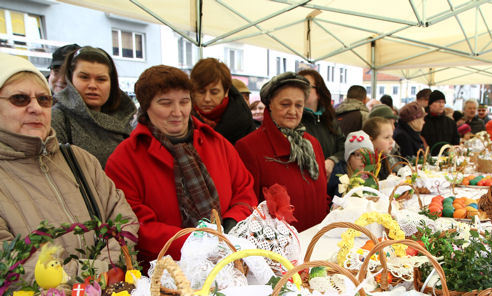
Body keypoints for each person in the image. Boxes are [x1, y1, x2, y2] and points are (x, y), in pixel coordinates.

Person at [0, 53, 137, 279]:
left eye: (44, 99)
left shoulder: (79, 159)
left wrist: (108, 267)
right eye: (20, 99)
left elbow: (124, 220)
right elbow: (12, 266)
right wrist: (94, 275)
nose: (35, 108)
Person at [105, 65, 257, 263]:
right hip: (166, 270)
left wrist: (230, 223)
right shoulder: (125, 158)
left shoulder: (217, 143)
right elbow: (135, 224)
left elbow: (245, 191)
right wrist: (197, 243)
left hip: (228, 257)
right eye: (165, 103)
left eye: (184, 102)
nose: (177, 112)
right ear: (146, 106)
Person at [235, 72, 327, 232]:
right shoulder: (249, 147)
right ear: (270, 104)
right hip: (281, 250)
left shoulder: (312, 144)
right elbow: (249, 209)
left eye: (298, 105)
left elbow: (323, 194)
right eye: (285, 104)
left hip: (317, 241)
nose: (293, 111)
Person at [51, 46, 136, 168]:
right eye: (84, 77)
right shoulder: (58, 119)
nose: (92, 85)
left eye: (101, 79)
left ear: (111, 83)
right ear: (71, 79)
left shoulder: (123, 119)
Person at [190, 58, 256, 145]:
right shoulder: (181, 119)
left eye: (214, 92)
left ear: (226, 92)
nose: (207, 99)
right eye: (201, 92)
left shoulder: (244, 121)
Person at [298, 69, 345, 178]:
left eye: (306, 86)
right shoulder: (295, 120)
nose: (301, 91)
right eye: (299, 86)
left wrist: (332, 160)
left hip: (331, 181)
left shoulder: (329, 119)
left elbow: (343, 146)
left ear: (319, 92)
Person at [327, 130, 375, 199]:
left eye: (367, 155)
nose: (363, 160)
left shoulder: (369, 173)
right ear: (349, 158)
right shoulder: (341, 177)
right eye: (358, 155)